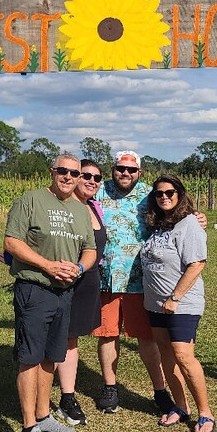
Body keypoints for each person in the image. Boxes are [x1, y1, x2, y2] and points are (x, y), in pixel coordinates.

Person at [4, 154, 97, 432]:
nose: (69, 177)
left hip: (65, 291)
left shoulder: (81, 210)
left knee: (51, 356)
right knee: (30, 357)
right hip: (35, 288)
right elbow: (11, 242)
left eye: (75, 173)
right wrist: (48, 266)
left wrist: (79, 269)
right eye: (63, 171)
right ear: (52, 172)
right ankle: (28, 427)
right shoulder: (30, 201)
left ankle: (44, 416)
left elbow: (90, 249)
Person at [92, 149, 177, 416]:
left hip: (141, 281)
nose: (125, 174)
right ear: (113, 170)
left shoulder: (151, 196)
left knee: (146, 337)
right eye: (120, 169)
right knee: (107, 334)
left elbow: (175, 211)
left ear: (139, 172)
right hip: (105, 278)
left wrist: (198, 217)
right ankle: (109, 387)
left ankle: (160, 391)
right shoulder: (98, 191)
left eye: (130, 170)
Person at [141, 174, 216, 432]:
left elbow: (197, 263)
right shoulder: (158, 225)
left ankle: (205, 412)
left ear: (180, 194)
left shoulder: (189, 224)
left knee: (183, 356)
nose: (164, 197)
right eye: (159, 193)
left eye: (170, 192)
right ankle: (181, 406)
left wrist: (175, 298)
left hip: (181, 303)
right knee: (166, 355)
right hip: (155, 303)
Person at [53, 159, 106, 426]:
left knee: (72, 338)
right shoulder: (61, 206)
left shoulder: (95, 206)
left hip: (88, 279)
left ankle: (67, 396)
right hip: (62, 279)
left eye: (97, 178)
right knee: (57, 338)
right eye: (85, 175)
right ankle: (48, 400)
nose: (91, 181)